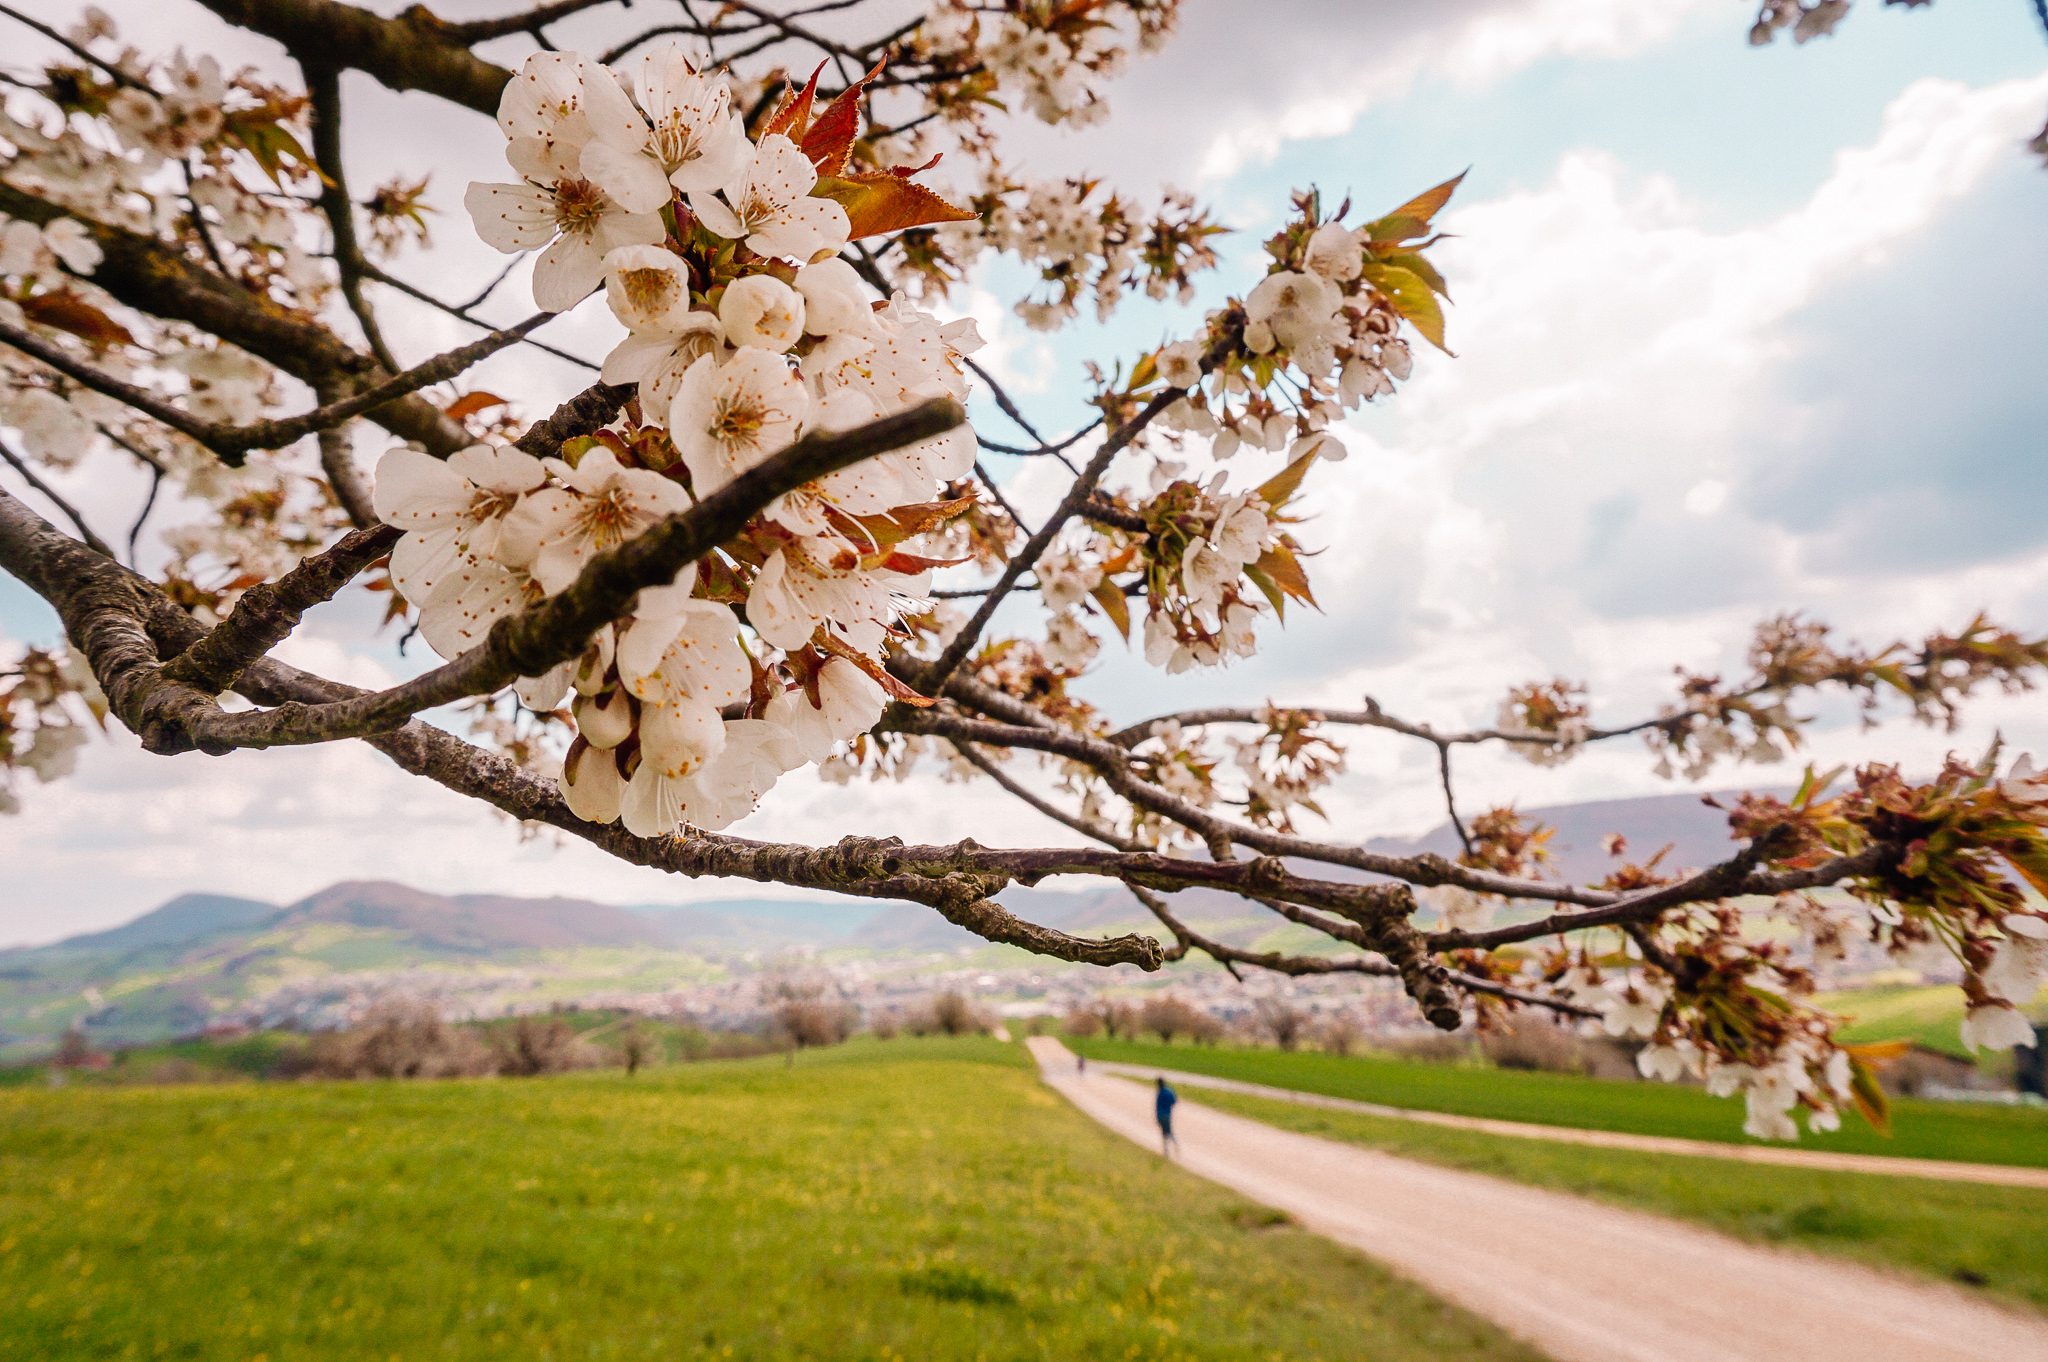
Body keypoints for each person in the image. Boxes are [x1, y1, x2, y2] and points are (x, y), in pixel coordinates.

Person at [1154, 1076, 1179, 1157]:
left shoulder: (1159, 1093)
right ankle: (1175, 1145)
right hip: (1167, 1114)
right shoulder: (1169, 1091)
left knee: (1163, 1133)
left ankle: (1166, 1150)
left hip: (1160, 1115)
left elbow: (1156, 1106)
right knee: (1169, 1131)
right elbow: (1174, 1100)